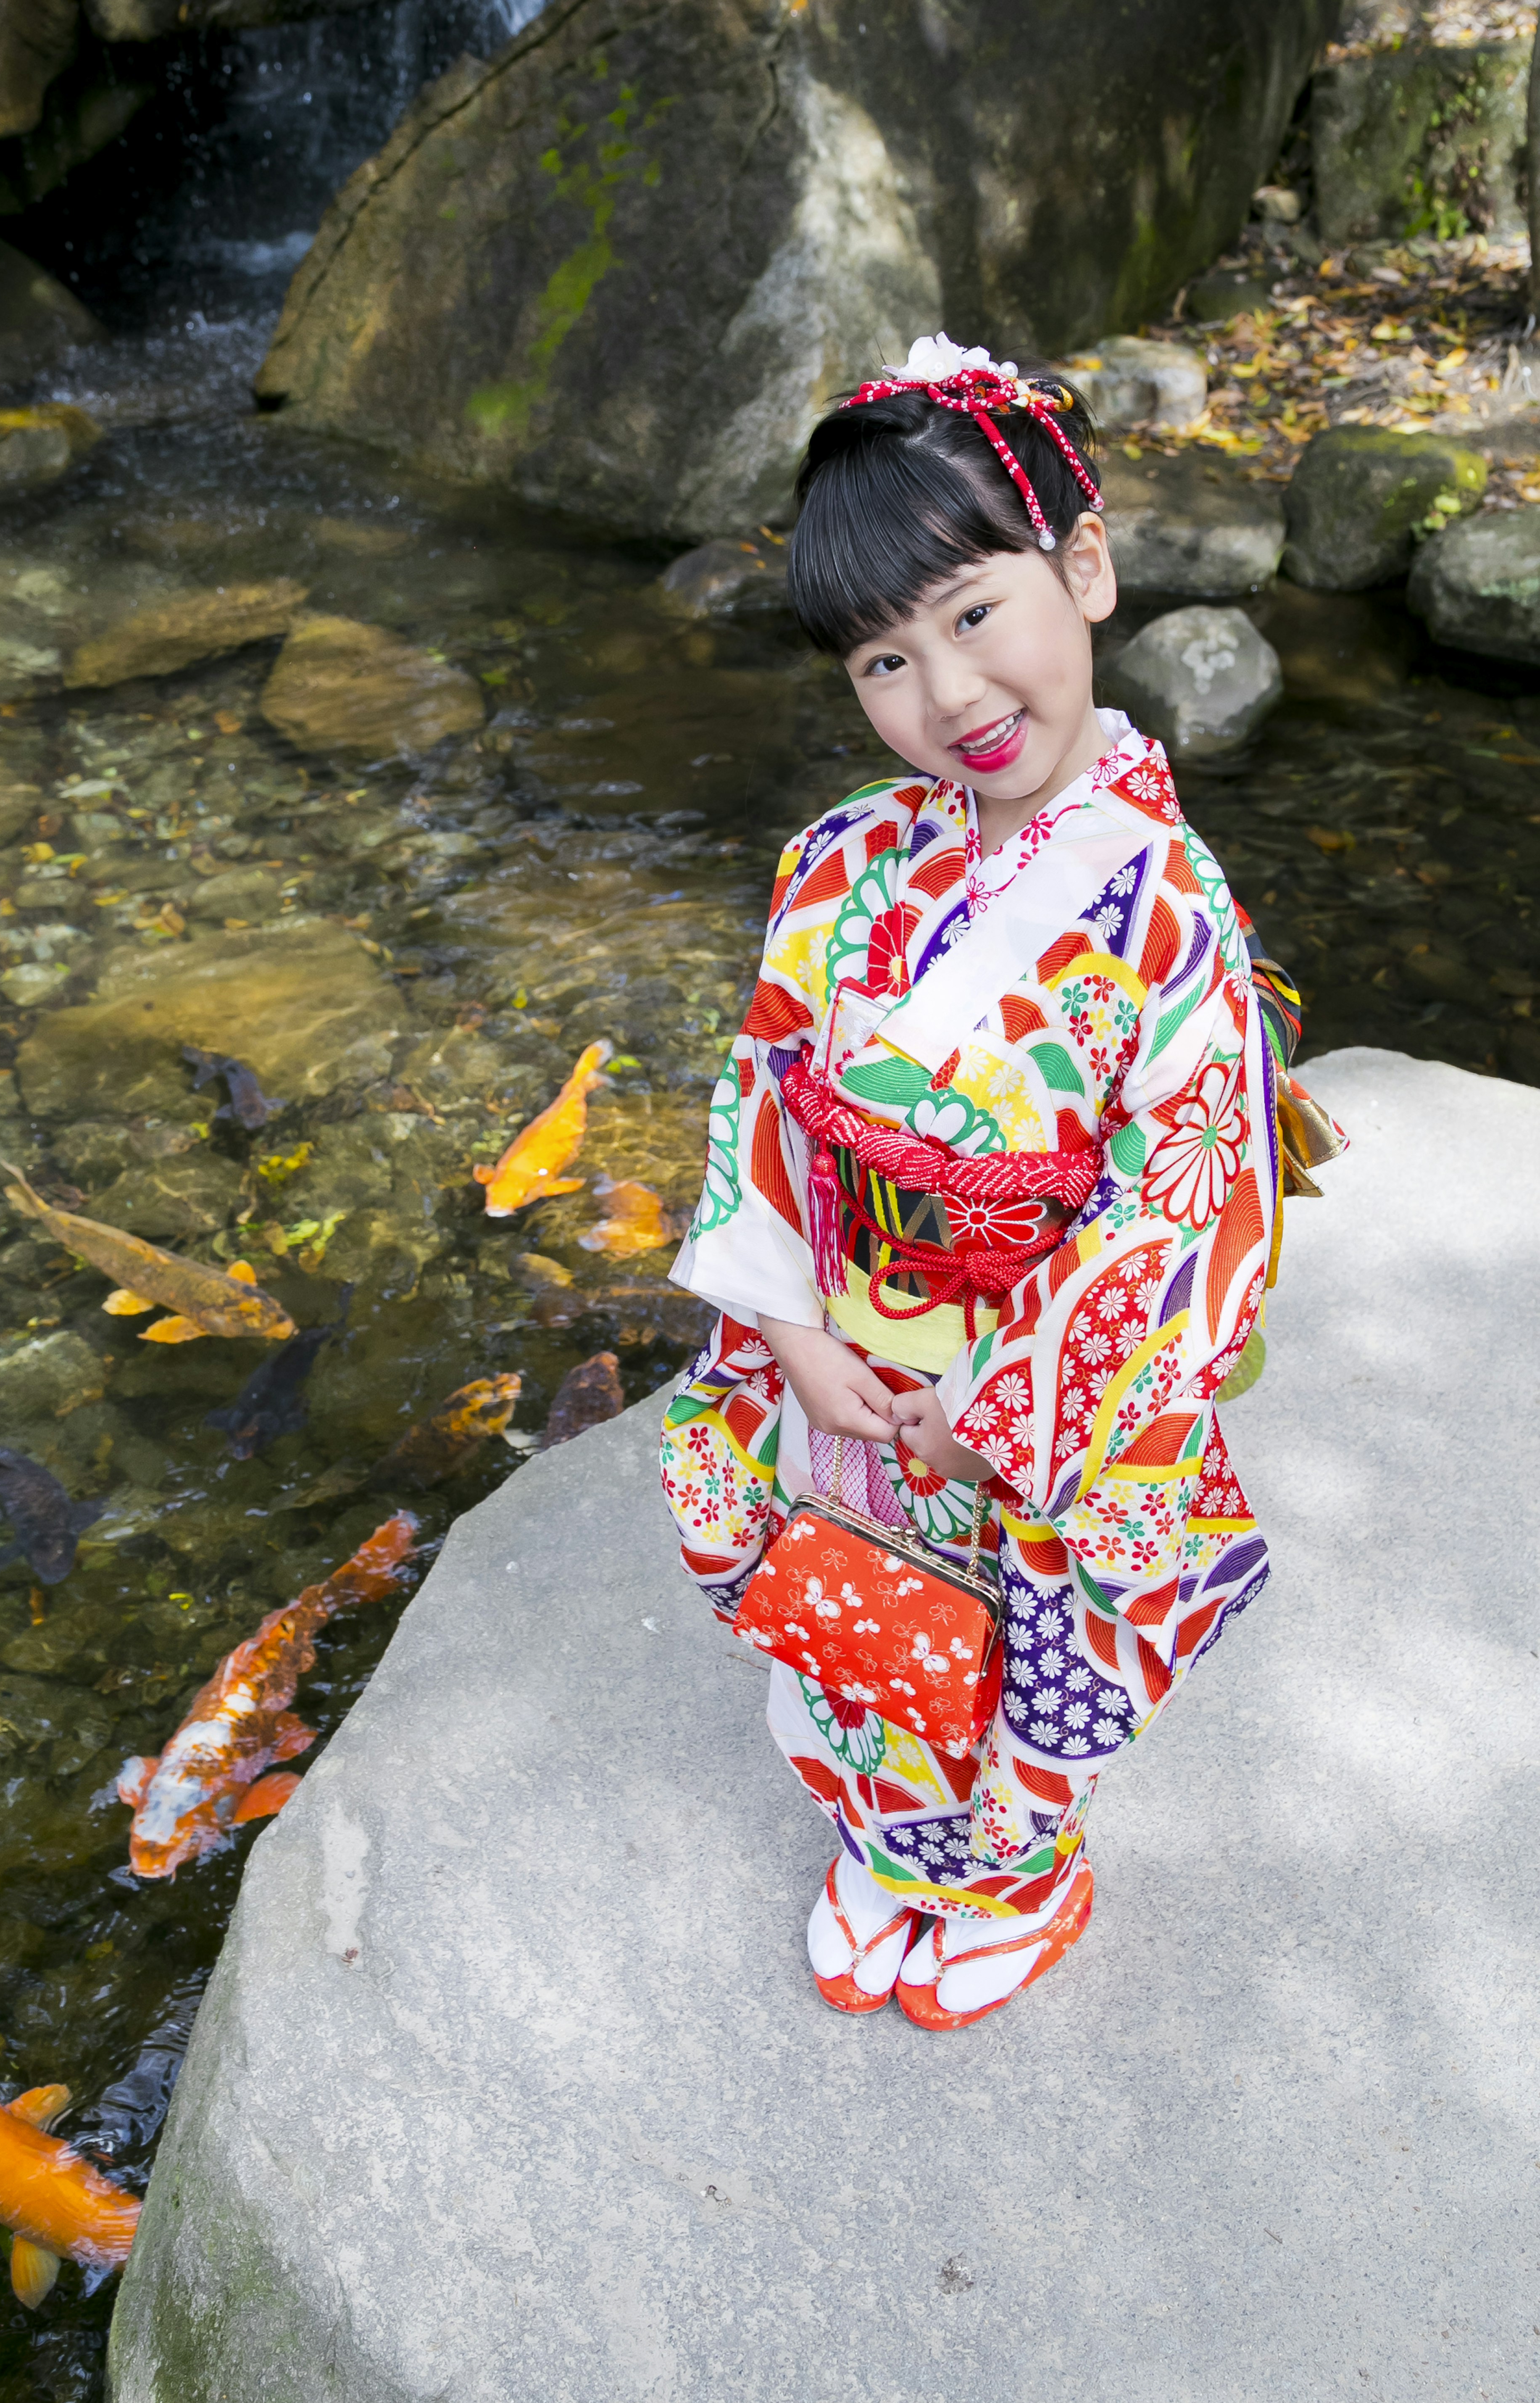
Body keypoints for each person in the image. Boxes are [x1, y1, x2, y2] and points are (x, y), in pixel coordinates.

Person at [661, 332, 1335, 2032]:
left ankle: (1020, 1871)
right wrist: (797, 1327)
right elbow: (769, 1095)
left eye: (976, 615)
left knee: (1033, 1625)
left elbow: (1182, 1212)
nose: (947, 696)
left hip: (1030, 1379)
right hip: (850, 1343)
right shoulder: (839, 869)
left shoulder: (1171, 922)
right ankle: (886, 1847)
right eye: (885, 660)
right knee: (852, 1603)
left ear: (1086, 568)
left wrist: (1009, 1405)